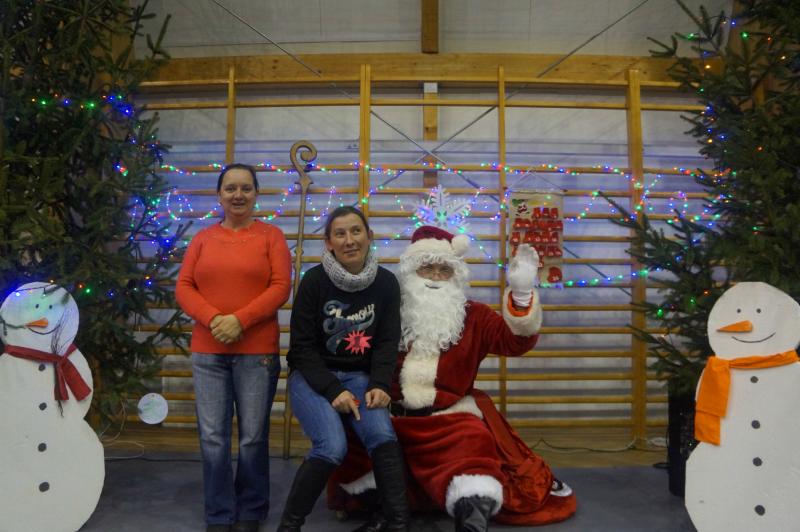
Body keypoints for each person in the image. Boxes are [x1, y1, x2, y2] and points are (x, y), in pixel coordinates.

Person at [329, 225, 577, 531]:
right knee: (353, 441)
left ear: (456, 276)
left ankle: (470, 520)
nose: (435, 277)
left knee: (474, 443)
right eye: (427, 268)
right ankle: (384, 508)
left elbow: (515, 342)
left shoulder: (474, 316)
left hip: (447, 422)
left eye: (444, 270)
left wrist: (522, 293)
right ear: (410, 272)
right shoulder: (385, 309)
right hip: (388, 418)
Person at [277, 206, 409, 532]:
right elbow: (301, 350)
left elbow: (387, 342)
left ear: (369, 236)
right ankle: (289, 526)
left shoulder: (387, 284)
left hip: (360, 377)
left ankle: (398, 524)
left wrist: (380, 384)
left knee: (382, 436)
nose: (349, 240)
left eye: (356, 231)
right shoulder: (313, 282)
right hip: (312, 377)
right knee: (332, 446)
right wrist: (333, 390)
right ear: (328, 243)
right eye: (340, 234)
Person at [176, 163, 292, 532]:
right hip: (207, 352)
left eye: (245, 188)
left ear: (256, 193)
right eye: (230, 188)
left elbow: (280, 287)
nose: (238, 195)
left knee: (253, 437)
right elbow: (184, 287)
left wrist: (240, 320)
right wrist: (214, 319)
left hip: (257, 353)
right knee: (213, 438)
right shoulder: (202, 239)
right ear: (219, 195)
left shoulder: (272, 237)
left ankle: (250, 511)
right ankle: (219, 513)